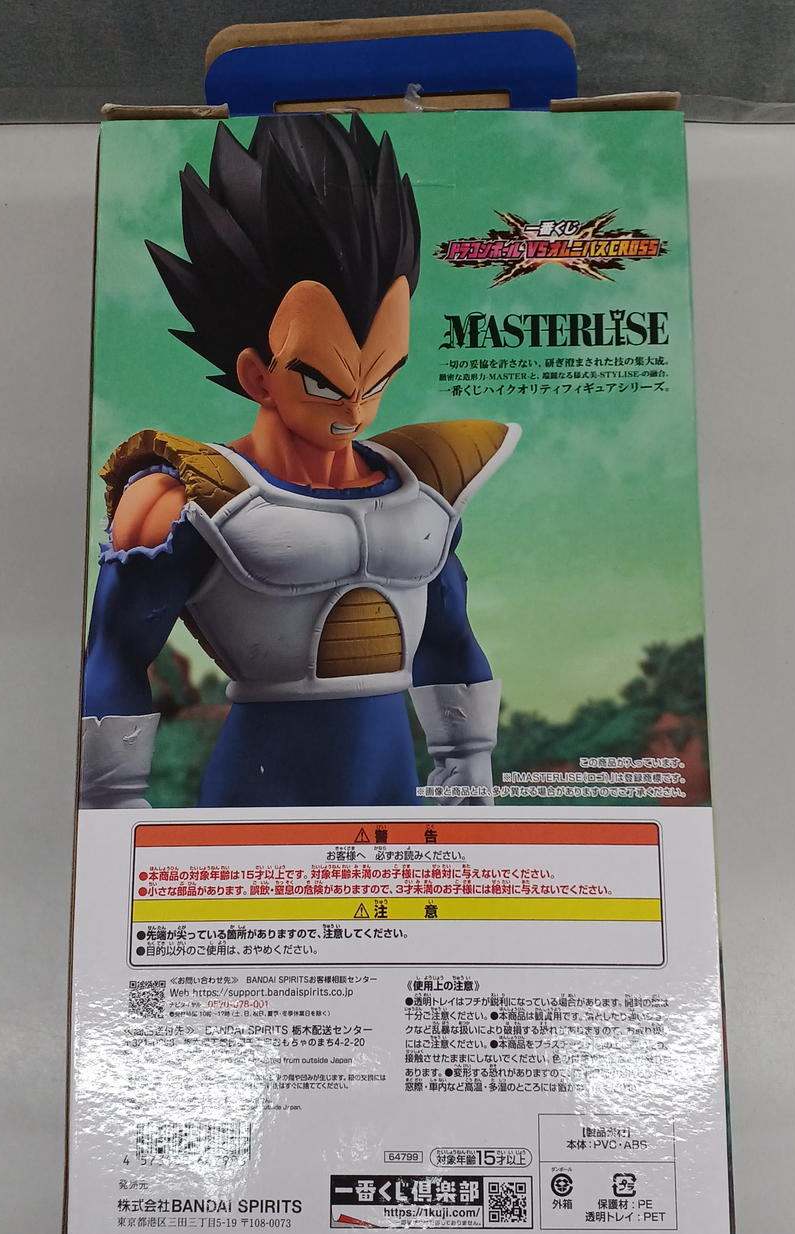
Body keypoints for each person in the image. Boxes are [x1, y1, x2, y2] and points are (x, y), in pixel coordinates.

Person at [79, 114, 518, 808]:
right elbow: (116, 656)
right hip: (258, 807)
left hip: (397, 808)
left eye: (381, 377)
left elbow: (450, 636)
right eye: (323, 381)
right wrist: (112, 812)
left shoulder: (422, 487)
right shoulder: (185, 499)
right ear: (257, 375)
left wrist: (470, 771)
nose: (358, 408)